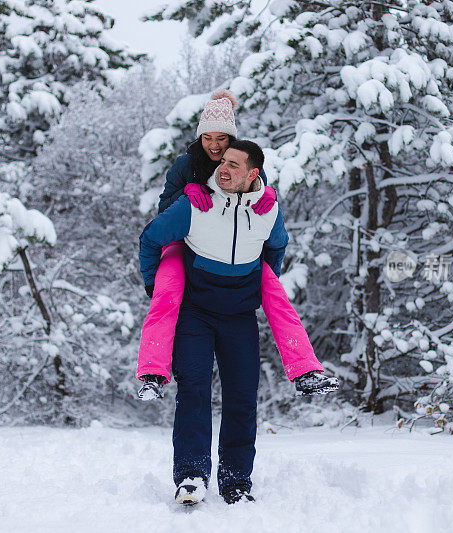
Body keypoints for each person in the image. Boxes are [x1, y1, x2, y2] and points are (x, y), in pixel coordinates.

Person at [136, 90, 338, 401]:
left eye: (221, 138)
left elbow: (258, 193)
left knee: (275, 294)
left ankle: (305, 371)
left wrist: (267, 197)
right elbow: (163, 213)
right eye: (208, 138)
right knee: (167, 293)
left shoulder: (243, 159)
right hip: (182, 241)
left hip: (237, 249)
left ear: (232, 138)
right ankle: (152, 374)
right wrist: (188, 192)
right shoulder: (184, 164)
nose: (215, 146)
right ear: (200, 137)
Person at [139, 140, 290, 504]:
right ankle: (191, 474)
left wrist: (258, 283)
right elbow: (150, 237)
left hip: (240, 316)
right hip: (196, 313)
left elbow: (277, 246)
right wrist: (153, 284)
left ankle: (236, 480)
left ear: (253, 174)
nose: (223, 168)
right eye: (223, 161)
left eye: (234, 165)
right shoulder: (195, 203)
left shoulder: (267, 209)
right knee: (194, 390)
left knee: (241, 397)